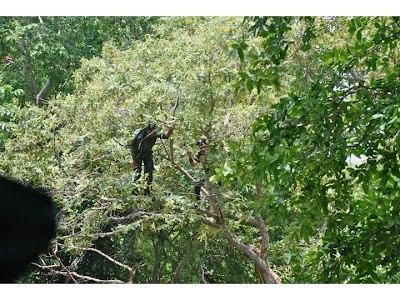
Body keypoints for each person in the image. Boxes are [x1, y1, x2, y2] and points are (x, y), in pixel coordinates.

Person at [130, 123, 173, 195]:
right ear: (147, 131)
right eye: (151, 132)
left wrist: (170, 129)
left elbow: (165, 136)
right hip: (138, 154)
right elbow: (133, 149)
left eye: (153, 132)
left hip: (148, 153)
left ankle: (147, 191)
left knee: (149, 172)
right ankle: (135, 191)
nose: (152, 134)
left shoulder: (155, 133)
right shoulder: (140, 137)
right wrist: (135, 162)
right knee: (137, 172)